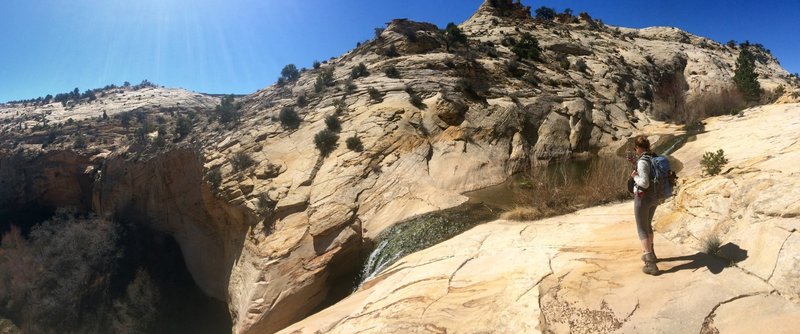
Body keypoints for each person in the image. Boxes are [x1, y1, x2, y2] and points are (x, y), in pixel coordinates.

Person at [629, 135, 660, 275]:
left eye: (635, 148)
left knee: (641, 229)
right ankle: (652, 253)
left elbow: (644, 183)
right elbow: (648, 172)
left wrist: (634, 176)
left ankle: (650, 264)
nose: (635, 150)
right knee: (648, 225)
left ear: (639, 148)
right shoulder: (652, 157)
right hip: (654, 197)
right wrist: (635, 164)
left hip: (643, 198)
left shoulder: (642, 162)